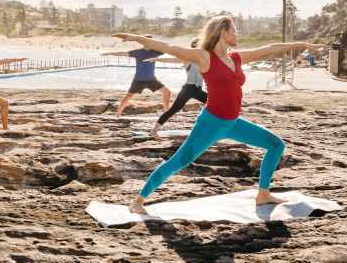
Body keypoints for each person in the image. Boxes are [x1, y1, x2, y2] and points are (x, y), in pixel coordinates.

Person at [118, 16, 326, 214]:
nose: (238, 34)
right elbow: (169, 48)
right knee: (179, 161)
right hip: (211, 123)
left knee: (276, 145)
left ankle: (263, 193)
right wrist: (137, 38)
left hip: (233, 123)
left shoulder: (236, 58)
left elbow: (269, 49)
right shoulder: (204, 57)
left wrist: (302, 44)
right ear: (224, 33)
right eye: (235, 30)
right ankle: (138, 200)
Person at [142, 38, 207, 137]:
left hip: (198, 90)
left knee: (215, 104)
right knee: (174, 109)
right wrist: (156, 59)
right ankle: (154, 131)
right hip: (188, 89)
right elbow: (173, 60)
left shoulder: (203, 59)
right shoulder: (187, 58)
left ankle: (212, 127)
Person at [102, 34, 171, 116]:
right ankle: (118, 113)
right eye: (147, 41)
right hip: (138, 80)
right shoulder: (138, 52)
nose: (149, 43)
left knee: (167, 92)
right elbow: (123, 53)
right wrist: (110, 53)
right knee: (129, 96)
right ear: (143, 42)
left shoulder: (156, 52)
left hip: (151, 80)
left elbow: (169, 48)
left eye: (151, 42)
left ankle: (166, 113)